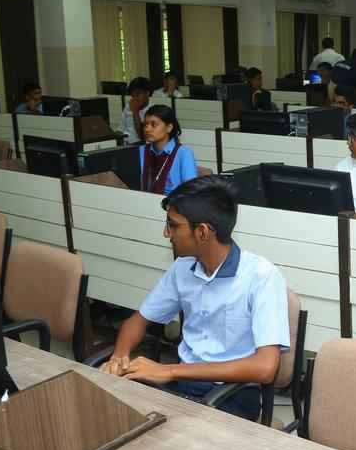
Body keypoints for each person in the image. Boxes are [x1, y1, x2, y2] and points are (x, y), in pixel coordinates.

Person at [99, 175, 291, 421]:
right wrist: (119, 358)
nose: (166, 233)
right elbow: (138, 320)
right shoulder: (183, 267)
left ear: (202, 232)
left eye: (173, 225)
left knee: (160, 430)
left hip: (233, 393)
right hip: (184, 382)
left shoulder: (261, 276)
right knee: (115, 409)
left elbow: (265, 368)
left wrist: (169, 370)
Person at [138, 105, 197, 195]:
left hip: (173, 201)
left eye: (154, 125)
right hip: (141, 199)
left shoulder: (184, 153)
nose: (147, 129)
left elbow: (191, 191)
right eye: (145, 125)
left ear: (169, 128)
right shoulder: (141, 151)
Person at [122, 76, 152, 145]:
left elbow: (143, 136)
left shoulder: (152, 110)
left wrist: (135, 112)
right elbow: (121, 129)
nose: (135, 98)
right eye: (133, 95)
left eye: (138, 94)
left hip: (139, 145)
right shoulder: (128, 106)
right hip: (125, 143)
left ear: (147, 93)